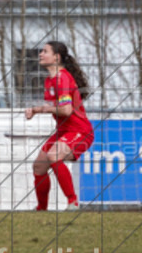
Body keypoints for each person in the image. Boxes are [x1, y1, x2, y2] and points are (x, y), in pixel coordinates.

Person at [24, 41, 94, 211]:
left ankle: (73, 202)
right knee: (39, 166)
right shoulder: (50, 80)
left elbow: (66, 110)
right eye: (41, 51)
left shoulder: (62, 78)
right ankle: (41, 208)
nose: (40, 54)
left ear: (56, 57)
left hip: (80, 131)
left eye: (45, 51)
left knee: (54, 155)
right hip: (64, 131)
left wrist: (38, 109)